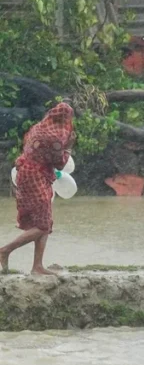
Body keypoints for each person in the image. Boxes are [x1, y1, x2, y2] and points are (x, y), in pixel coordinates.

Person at [0, 103, 75, 276]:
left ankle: (37, 266)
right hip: (35, 176)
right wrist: (69, 146)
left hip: (26, 172)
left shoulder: (39, 127)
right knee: (42, 226)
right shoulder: (56, 138)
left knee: (44, 220)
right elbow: (60, 163)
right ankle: (5, 250)